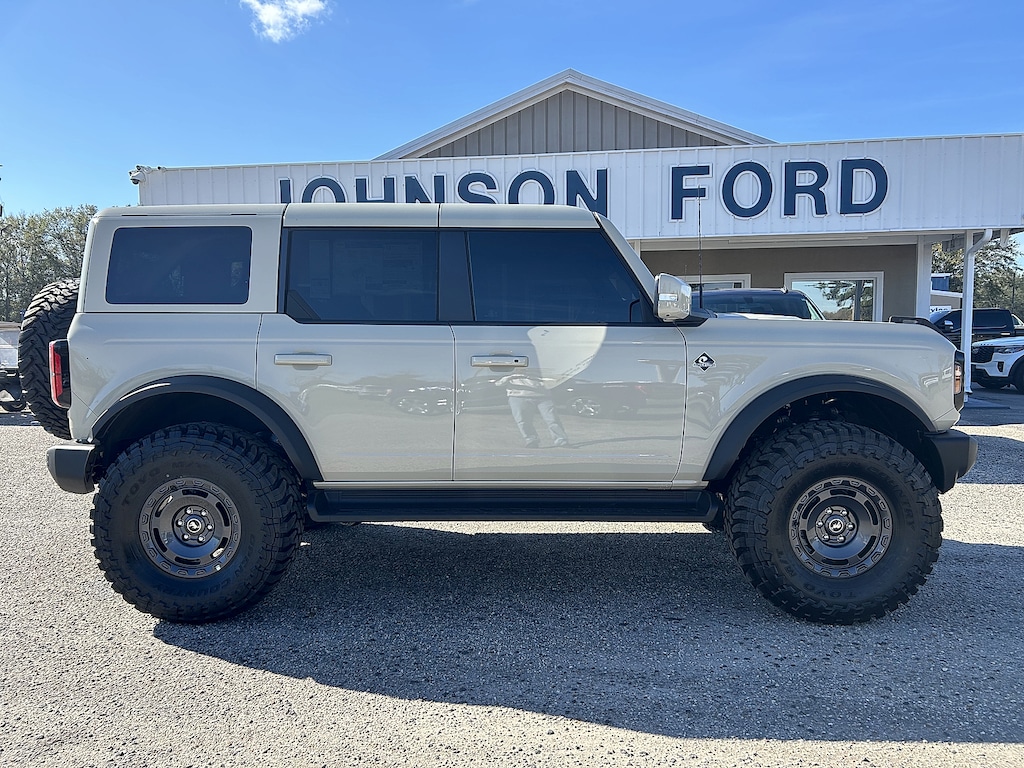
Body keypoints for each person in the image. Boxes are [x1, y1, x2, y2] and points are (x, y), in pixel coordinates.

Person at [497, 369, 569, 448]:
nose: (522, 371)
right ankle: (531, 440)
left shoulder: (539, 376)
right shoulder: (510, 378)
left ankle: (561, 440)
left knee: (552, 419)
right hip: (518, 398)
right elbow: (498, 384)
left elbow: (554, 382)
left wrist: (532, 377)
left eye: (524, 369)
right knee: (522, 420)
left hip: (543, 397)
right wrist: (511, 377)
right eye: (518, 369)